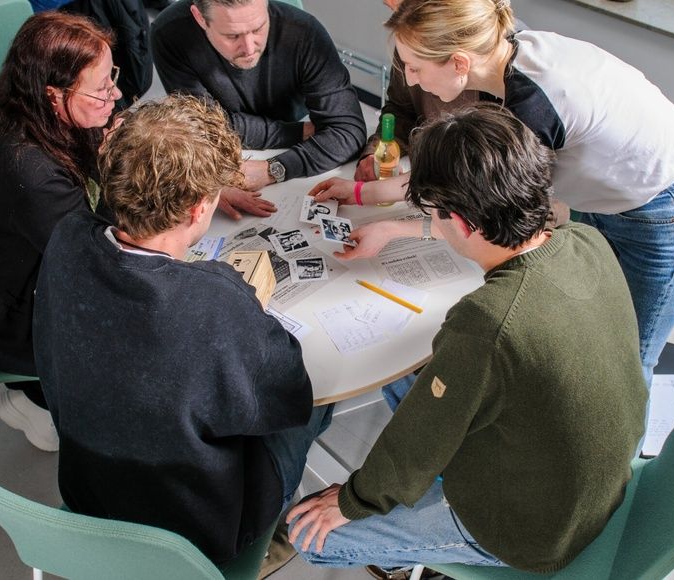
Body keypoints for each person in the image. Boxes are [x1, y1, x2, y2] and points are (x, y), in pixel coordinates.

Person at [286, 104, 648, 575]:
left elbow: (418, 441)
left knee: (311, 537)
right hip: (595, 479)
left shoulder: (488, 321)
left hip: (535, 529)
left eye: (432, 215)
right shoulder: (586, 241)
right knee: (412, 379)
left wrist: (353, 500)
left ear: (458, 222)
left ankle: (440, 550)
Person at [312, 0, 674, 387]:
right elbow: (455, 175)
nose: (409, 79)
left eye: (415, 67)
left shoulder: (533, 106)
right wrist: (360, 192)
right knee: (592, 327)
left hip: (660, 206)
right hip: (605, 192)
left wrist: (391, 229)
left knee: (631, 354)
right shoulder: (498, 65)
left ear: (459, 63)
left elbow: (482, 213)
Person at [32, 95, 333, 565]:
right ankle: (273, 539)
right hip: (196, 532)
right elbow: (288, 398)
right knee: (320, 402)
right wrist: (243, 308)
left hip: (89, 495)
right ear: (199, 209)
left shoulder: (67, 236)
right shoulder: (214, 301)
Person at [0, 12, 121, 452]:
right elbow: (99, 256)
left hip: (9, 273)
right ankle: (34, 401)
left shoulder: (37, 113)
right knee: (126, 327)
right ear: (54, 94)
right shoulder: (28, 169)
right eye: (101, 88)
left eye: (112, 75)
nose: (115, 93)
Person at [150, 0, 367, 219]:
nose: (249, 49)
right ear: (200, 18)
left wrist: (271, 170)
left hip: (283, 147)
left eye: (258, 29)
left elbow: (349, 132)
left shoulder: (303, 31)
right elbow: (202, 127)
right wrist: (296, 132)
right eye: (232, 36)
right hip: (228, 156)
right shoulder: (169, 33)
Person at [355, 0, 479, 182]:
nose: (410, 80)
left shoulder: (510, 86)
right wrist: (378, 152)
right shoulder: (408, 38)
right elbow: (401, 109)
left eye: (414, 69)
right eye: (392, 9)